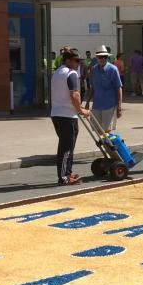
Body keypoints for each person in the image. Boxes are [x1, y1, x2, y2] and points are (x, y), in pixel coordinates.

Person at [50, 48, 90, 185]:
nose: (78, 64)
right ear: (68, 60)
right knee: (66, 148)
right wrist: (81, 110)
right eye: (76, 61)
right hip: (67, 115)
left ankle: (67, 172)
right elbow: (74, 95)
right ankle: (63, 177)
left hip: (57, 113)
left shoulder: (57, 73)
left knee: (67, 146)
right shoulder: (71, 74)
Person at [86, 46, 123, 131]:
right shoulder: (94, 69)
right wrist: (87, 102)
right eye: (100, 57)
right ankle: (103, 144)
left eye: (105, 57)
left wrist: (119, 107)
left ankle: (107, 144)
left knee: (107, 130)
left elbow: (118, 88)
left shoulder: (113, 69)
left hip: (109, 105)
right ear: (97, 58)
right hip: (96, 105)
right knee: (96, 129)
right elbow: (93, 88)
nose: (103, 59)